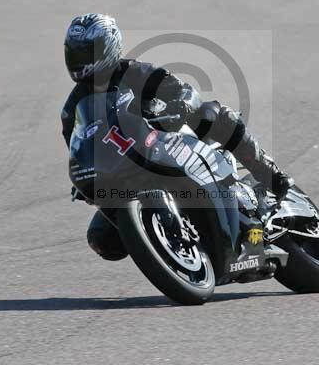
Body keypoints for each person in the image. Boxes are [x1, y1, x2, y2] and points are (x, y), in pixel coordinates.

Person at [60, 13, 293, 260]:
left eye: (86, 53)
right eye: (74, 54)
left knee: (212, 113)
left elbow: (183, 90)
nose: (80, 61)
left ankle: (269, 174)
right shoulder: (71, 109)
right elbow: (78, 147)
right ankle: (170, 244)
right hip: (123, 173)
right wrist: (85, 179)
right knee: (102, 240)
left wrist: (180, 106)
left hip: (165, 143)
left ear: (108, 48)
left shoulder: (135, 72)